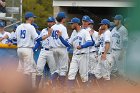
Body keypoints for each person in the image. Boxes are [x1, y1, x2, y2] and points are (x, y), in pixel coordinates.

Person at [57, 17, 94, 90]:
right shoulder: (74, 33)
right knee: (71, 74)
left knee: (83, 76)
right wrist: (60, 37)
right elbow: (68, 44)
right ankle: (70, 90)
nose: (71, 25)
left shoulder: (84, 32)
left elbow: (90, 42)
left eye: (72, 23)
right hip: (75, 56)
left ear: (76, 24)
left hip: (83, 55)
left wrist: (82, 46)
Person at [15, 12, 44, 90]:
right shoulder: (30, 27)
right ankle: (26, 88)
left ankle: (18, 85)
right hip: (27, 49)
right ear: (30, 18)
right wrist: (47, 35)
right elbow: (38, 39)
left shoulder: (19, 26)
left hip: (19, 49)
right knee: (27, 71)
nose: (33, 19)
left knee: (22, 69)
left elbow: (15, 38)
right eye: (33, 17)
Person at [35, 16, 57, 89]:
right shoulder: (44, 30)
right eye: (48, 22)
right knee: (39, 69)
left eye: (51, 22)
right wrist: (47, 35)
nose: (49, 23)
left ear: (54, 22)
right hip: (43, 50)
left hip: (52, 51)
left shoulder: (57, 30)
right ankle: (36, 87)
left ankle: (54, 87)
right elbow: (38, 40)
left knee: (53, 70)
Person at [51, 12, 69, 87]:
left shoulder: (53, 27)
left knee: (57, 69)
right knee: (63, 69)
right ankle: (62, 87)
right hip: (61, 49)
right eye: (64, 18)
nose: (65, 19)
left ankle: (52, 83)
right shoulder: (63, 27)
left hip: (54, 49)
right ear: (62, 19)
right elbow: (65, 40)